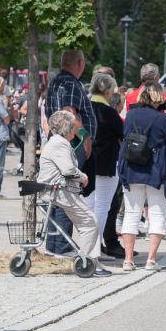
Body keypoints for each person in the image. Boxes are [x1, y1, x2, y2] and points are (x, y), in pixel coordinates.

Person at [118, 82, 166, 271]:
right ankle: (151, 260)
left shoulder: (131, 115)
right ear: (159, 97)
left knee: (131, 214)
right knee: (156, 214)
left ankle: (128, 260)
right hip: (155, 171)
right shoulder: (162, 119)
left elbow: (125, 134)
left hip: (132, 169)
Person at [38, 110, 109, 276]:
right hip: (59, 191)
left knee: (89, 221)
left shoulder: (57, 141)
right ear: (67, 128)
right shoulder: (59, 143)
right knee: (89, 222)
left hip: (60, 190)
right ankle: (87, 262)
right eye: (73, 125)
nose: (76, 128)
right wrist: (82, 176)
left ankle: (90, 261)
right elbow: (68, 169)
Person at [45, 49, 97, 256]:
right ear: (80, 63)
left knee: (58, 192)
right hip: (71, 143)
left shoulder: (57, 81)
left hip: (59, 141)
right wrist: (85, 138)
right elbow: (70, 113)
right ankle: (62, 246)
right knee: (67, 192)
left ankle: (55, 244)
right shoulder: (70, 83)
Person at [87, 72, 125, 260]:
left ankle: (90, 246)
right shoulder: (109, 112)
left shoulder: (84, 107)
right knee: (102, 207)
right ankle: (93, 249)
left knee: (90, 206)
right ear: (108, 91)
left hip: (86, 162)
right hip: (106, 164)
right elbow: (123, 134)